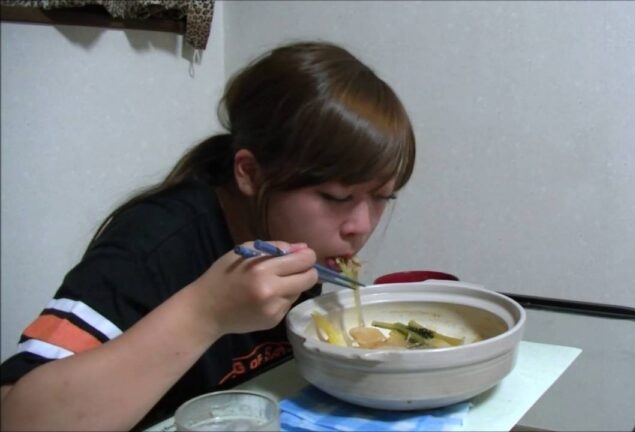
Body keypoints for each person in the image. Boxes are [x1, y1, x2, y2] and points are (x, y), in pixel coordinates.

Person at [0, 40, 416, 431]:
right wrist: (206, 313)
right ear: (250, 173)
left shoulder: (296, 242)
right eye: (335, 196)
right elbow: (16, 415)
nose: (360, 225)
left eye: (381, 197)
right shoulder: (155, 243)